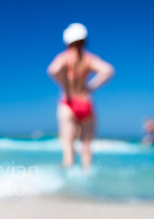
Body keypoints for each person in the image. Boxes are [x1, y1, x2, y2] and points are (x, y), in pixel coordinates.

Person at [47, 23, 115, 168]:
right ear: (84, 41)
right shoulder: (89, 59)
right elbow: (108, 70)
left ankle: (70, 188)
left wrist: (65, 86)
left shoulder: (65, 58)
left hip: (68, 103)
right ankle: (87, 188)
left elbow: (52, 70)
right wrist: (90, 87)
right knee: (86, 149)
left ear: (67, 42)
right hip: (86, 103)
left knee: (68, 150)